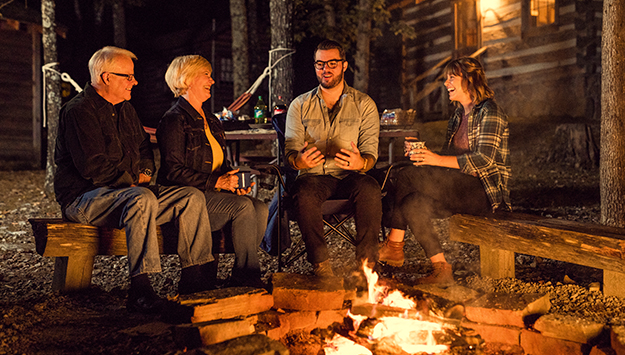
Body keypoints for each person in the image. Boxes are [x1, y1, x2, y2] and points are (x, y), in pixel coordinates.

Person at [54, 46, 216, 313]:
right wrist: (130, 182)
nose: (135, 81)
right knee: (140, 198)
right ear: (106, 77)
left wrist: (146, 174)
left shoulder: (126, 110)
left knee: (189, 196)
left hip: (126, 194)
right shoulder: (79, 111)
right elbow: (91, 165)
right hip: (84, 198)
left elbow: (143, 148)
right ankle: (140, 290)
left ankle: (193, 281)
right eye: (128, 76)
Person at [379, 57, 511, 284]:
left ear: (469, 80)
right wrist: (424, 155)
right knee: (412, 202)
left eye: (452, 77)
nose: (446, 83)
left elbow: (486, 160)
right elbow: (448, 159)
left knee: (407, 175)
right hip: (457, 186)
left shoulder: (490, 112)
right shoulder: (458, 116)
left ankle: (394, 244)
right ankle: (441, 268)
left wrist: (437, 160)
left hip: (484, 193)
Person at [156, 55, 269, 288]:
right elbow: (173, 172)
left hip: (212, 194)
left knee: (259, 208)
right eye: (205, 74)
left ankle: (238, 273)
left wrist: (234, 182)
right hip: (186, 198)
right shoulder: (174, 120)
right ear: (186, 79)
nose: (213, 80)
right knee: (244, 207)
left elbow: (221, 165)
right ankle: (247, 279)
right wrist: (218, 182)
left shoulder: (211, 120)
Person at [285, 39, 382, 277]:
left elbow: (370, 152)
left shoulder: (364, 104)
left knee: (369, 187)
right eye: (320, 64)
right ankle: (321, 265)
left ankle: (367, 268)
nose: (325, 69)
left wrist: (362, 163)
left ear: (344, 65)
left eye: (331, 63)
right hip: (314, 176)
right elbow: (290, 152)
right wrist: (300, 161)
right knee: (304, 192)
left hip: (350, 175)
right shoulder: (299, 105)